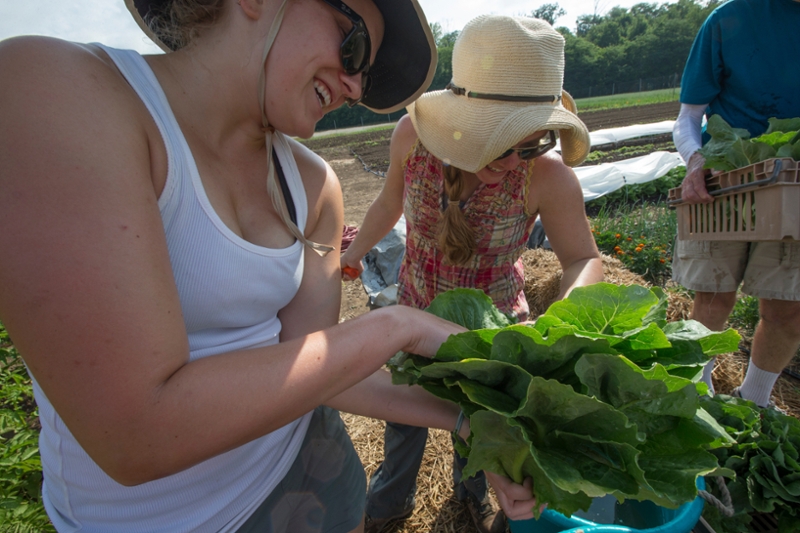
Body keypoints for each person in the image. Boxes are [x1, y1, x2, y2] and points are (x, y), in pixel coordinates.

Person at [0, 1, 540, 531]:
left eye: (365, 73)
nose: (355, 87)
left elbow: (316, 375)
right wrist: (398, 324)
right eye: (353, 48)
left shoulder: (313, 185)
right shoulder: (54, 89)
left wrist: (470, 421)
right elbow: (135, 436)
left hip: (315, 466)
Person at [340, 15, 604, 533]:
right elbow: (388, 205)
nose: (516, 160)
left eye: (533, 143)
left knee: (482, 430)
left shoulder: (547, 177)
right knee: (404, 424)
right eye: (503, 142)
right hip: (414, 314)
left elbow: (582, 259)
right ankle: (389, 504)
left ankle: (472, 497)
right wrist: (350, 256)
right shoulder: (412, 139)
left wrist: (563, 319)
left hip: (492, 336)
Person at [672, 0, 800, 409]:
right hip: (726, 181)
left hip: (795, 185)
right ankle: (699, 398)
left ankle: (756, 401)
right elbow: (688, 117)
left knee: (789, 307)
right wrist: (696, 161)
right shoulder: (729, 19)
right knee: (713, 296)